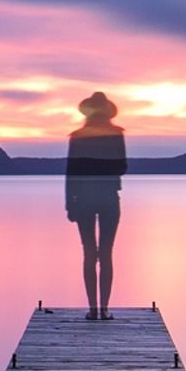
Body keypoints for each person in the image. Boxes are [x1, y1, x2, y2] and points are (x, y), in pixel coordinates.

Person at [64, 91, 127, 320]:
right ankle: (103, 309)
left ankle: (94, 309)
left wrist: (69, 203)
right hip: (108, 197)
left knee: (90, 253)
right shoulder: (116, 135)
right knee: (105, 253)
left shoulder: (78, 136)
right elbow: (122, 167)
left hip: (84, 199)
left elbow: (71, 172)